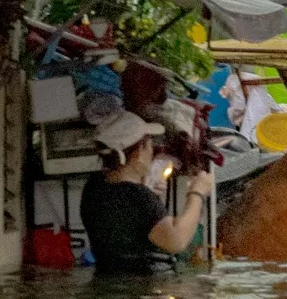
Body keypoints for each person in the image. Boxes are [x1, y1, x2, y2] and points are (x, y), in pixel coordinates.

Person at [80, 111, 213, 272]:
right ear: (137, 153)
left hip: (104, 279)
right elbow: (176, 241)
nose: (152, 151)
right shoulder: (138, 198)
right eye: (149, 145)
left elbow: (124, 213)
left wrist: (148, 191)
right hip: (139, 288)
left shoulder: (94, 186)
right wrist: (197, 193)